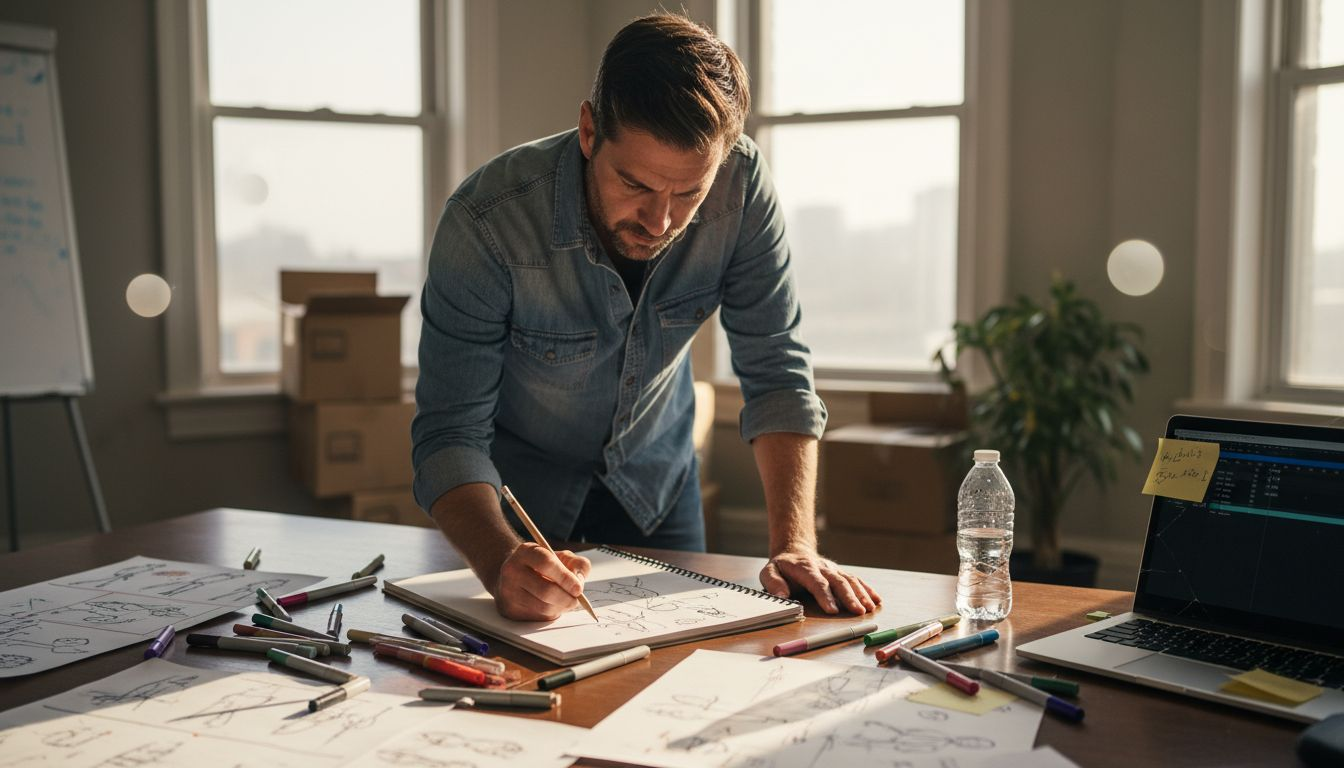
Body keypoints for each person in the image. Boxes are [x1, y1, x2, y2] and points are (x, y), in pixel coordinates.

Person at [412, 13, 881, 621]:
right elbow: (449, 435)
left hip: (659, 484)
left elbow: (777, 371)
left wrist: (796, 544)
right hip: (519, 503)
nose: (659, 222)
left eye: (688, 194)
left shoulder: (742, 186)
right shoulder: (486, 223)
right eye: (634, 184)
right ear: (587, 131)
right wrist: (500, 560)